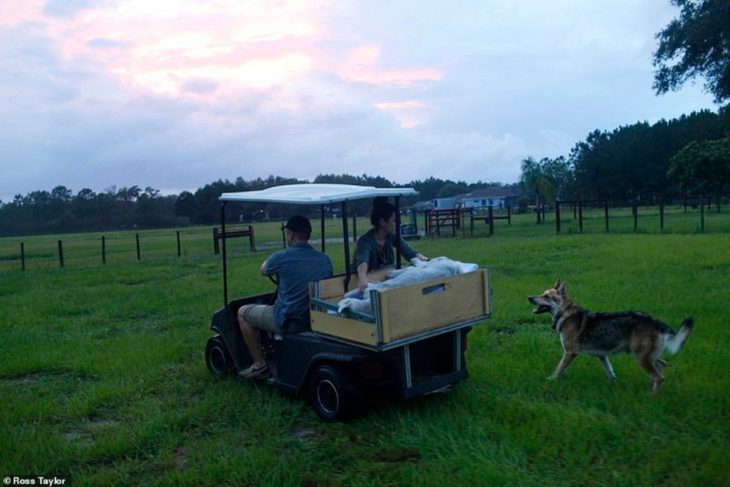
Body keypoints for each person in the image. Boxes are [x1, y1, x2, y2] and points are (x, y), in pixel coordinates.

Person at [237, 215, 333, 380]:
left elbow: (263, 270)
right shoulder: (325, 259)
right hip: (315, 318)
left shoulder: (280, 258)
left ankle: (259, 365)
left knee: (242, 313)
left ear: (290, 235)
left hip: (290, 320)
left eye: (287, 233)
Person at [354, 197, 428, 293]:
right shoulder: (365, 241)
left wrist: (428, 261)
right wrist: (363, 279)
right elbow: (363, 262)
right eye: (394, 221)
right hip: (369, 284)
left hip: (385, 282)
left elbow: (409, 253)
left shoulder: (391, 236)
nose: (397, 224)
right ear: (383, 222)